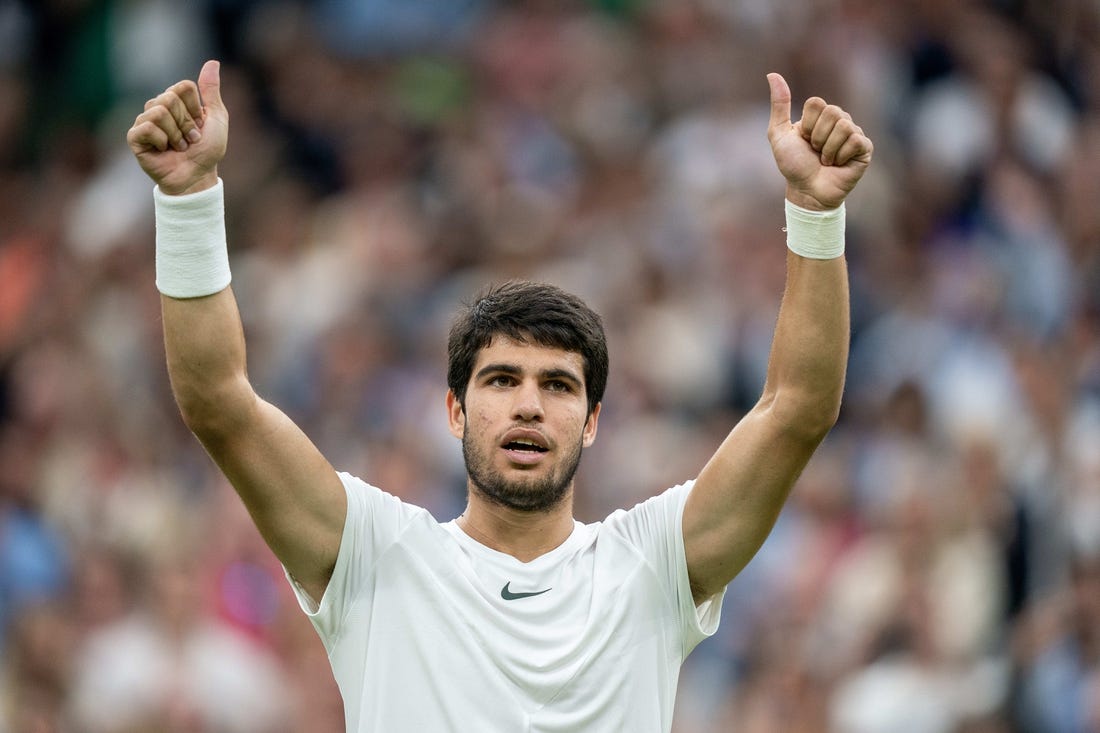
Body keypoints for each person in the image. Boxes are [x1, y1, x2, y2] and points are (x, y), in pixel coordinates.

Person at [126, 59, 872, 731]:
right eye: (501, 380)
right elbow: (219, 402)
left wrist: (815, 210)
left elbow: (798, 408)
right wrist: (189, 198)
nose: (528, 405)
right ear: (453, 411)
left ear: (593, 423)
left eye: (557, 386)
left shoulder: (652, 564)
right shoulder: (376, 556)